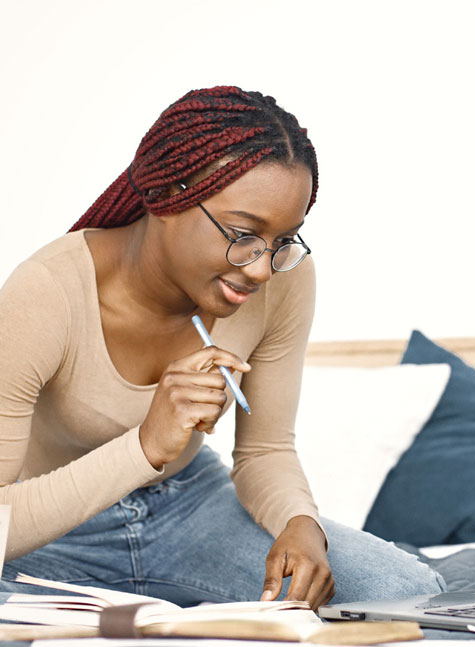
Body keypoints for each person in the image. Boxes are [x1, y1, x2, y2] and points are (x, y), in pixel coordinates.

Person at [0, 86, 445, 609]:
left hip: (189, 510)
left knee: (400, 592)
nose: (260, 267)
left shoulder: (284, 279)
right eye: (242, 233)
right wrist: (145, 445)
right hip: (52, 531)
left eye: (283, 241)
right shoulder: (45, 294)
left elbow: (265, 449)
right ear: (168, 197)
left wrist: (301, 523)